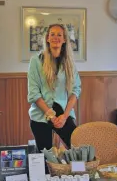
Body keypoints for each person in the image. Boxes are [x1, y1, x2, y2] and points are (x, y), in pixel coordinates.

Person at [27, 24, 81, 152]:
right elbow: (34, 93)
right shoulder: (36, 61)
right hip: (40, 115)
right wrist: (51, 116)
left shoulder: (69, 63)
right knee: (45, 157)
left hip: (64, 114)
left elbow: (76, 90)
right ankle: (48, 172)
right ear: (47, 38)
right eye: (52, 34)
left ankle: (75, 172)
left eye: (59, 35)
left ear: (64, 40)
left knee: (77, 150)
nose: (55, 37)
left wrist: (65, 116)